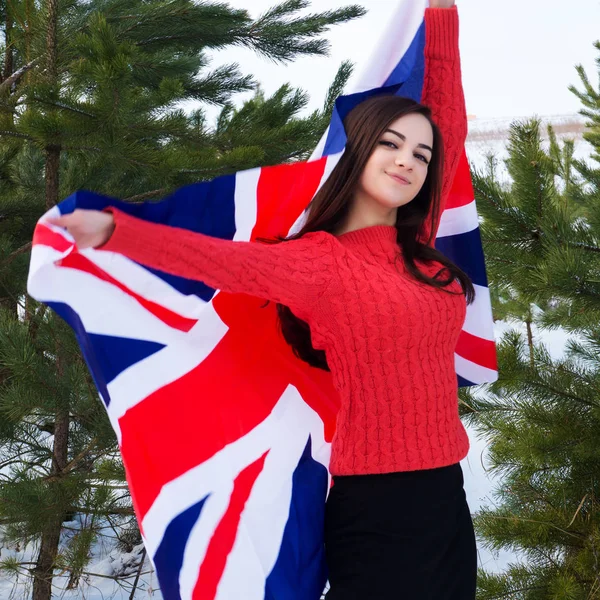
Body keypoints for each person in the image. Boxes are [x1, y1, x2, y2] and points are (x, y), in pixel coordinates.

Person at [49, 1, 478, 597]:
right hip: (378, 509)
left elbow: (448, 120)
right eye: (390, 145)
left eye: (420, 155)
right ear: (358, 152)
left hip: (444, 496)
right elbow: (221, 261)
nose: (407, 161)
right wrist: (121, 232)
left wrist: (441, 13)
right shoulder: (322, 263)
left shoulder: (419, 246)